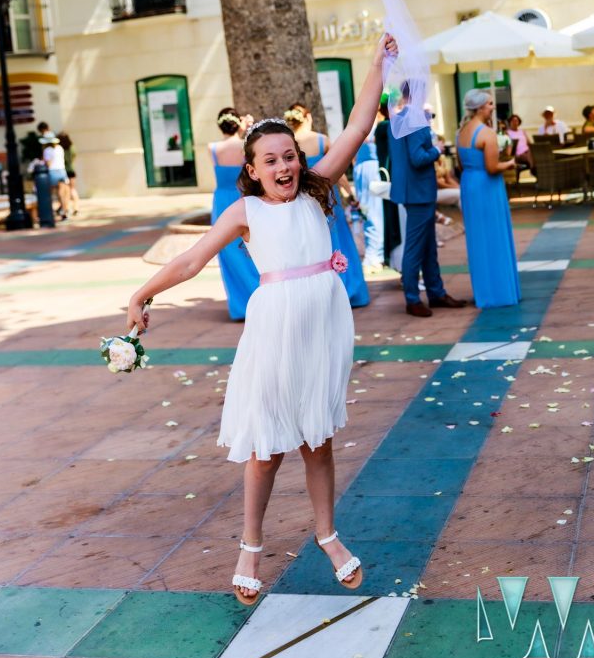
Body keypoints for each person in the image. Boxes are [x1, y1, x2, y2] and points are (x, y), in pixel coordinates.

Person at [126, 34, 399, 606]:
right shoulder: (244, 211)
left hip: (322, 333)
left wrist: (376, 65)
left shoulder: (315, 192)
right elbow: (190, 259)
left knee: (317, 442)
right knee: (267, 450)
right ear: (250, 170)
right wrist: (142, 294)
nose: (284, 166)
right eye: (270, 160)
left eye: (289, 156)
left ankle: (327, 535)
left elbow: (356, 124)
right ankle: (250, 547)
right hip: (275, 336)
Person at [388, 82, 467, 317]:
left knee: (428, 245)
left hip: (411, 190)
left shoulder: (399, 118)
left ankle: (436, 291)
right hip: (419, 191)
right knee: (415, 247)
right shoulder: (415, 120)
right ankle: (412, 297)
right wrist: (437, 150)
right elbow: (418, 157)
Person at [284, 102, 369, 307]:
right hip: (327, 196)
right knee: (337, 237)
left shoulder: (289, 144)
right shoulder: (322, 141)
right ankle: (348, 288)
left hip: (302, 198)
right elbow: (338, 172)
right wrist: (349, 194)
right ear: (309, 117)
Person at [456, 89, 520, 309]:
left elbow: (461, 165)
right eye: (490, 103)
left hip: (469, 184)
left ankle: (484, 291)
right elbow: (492, 168)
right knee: (494, 236)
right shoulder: (487, 133)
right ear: (481, 107)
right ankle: (499, 292)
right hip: (487, 186)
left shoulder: (461, 131)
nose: (493, 107)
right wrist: (510, 164)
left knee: (478, 239)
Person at [209, 107, 260, 320]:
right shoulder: (245, 145)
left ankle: (241, 306)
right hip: (242, 198)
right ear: (237, 123)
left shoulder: (212, 148)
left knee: (229, 253)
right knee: (251, 250)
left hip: (221, 202)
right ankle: (259, 297)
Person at [353, 117, 385, 272]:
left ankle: (377, 253)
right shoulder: (360, 126)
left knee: (376, 213)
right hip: (367, 172)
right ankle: (374, 255)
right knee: (369, 212)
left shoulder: (379, 125)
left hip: (375, 172)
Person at [374, 98, 401, 266]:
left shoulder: (385, 127)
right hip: (392, 180)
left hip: (391, 179)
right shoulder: (386, 127)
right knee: (395, 222)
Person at [42, 136, 70, 220]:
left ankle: (49, 212)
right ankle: (64, 212)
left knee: (50, 193)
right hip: (61, 171)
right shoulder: (60, 148)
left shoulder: (47, 150)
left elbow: (48, 163)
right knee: (61, 194)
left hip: (52, 172)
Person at [57, 132, 79, 216]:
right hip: (71, 170)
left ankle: (66, 208)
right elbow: (74, 157)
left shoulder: (60, 148)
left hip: (63, 171)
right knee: (73, 189)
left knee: (65, 191)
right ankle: (76, 207)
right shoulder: (72, 147)